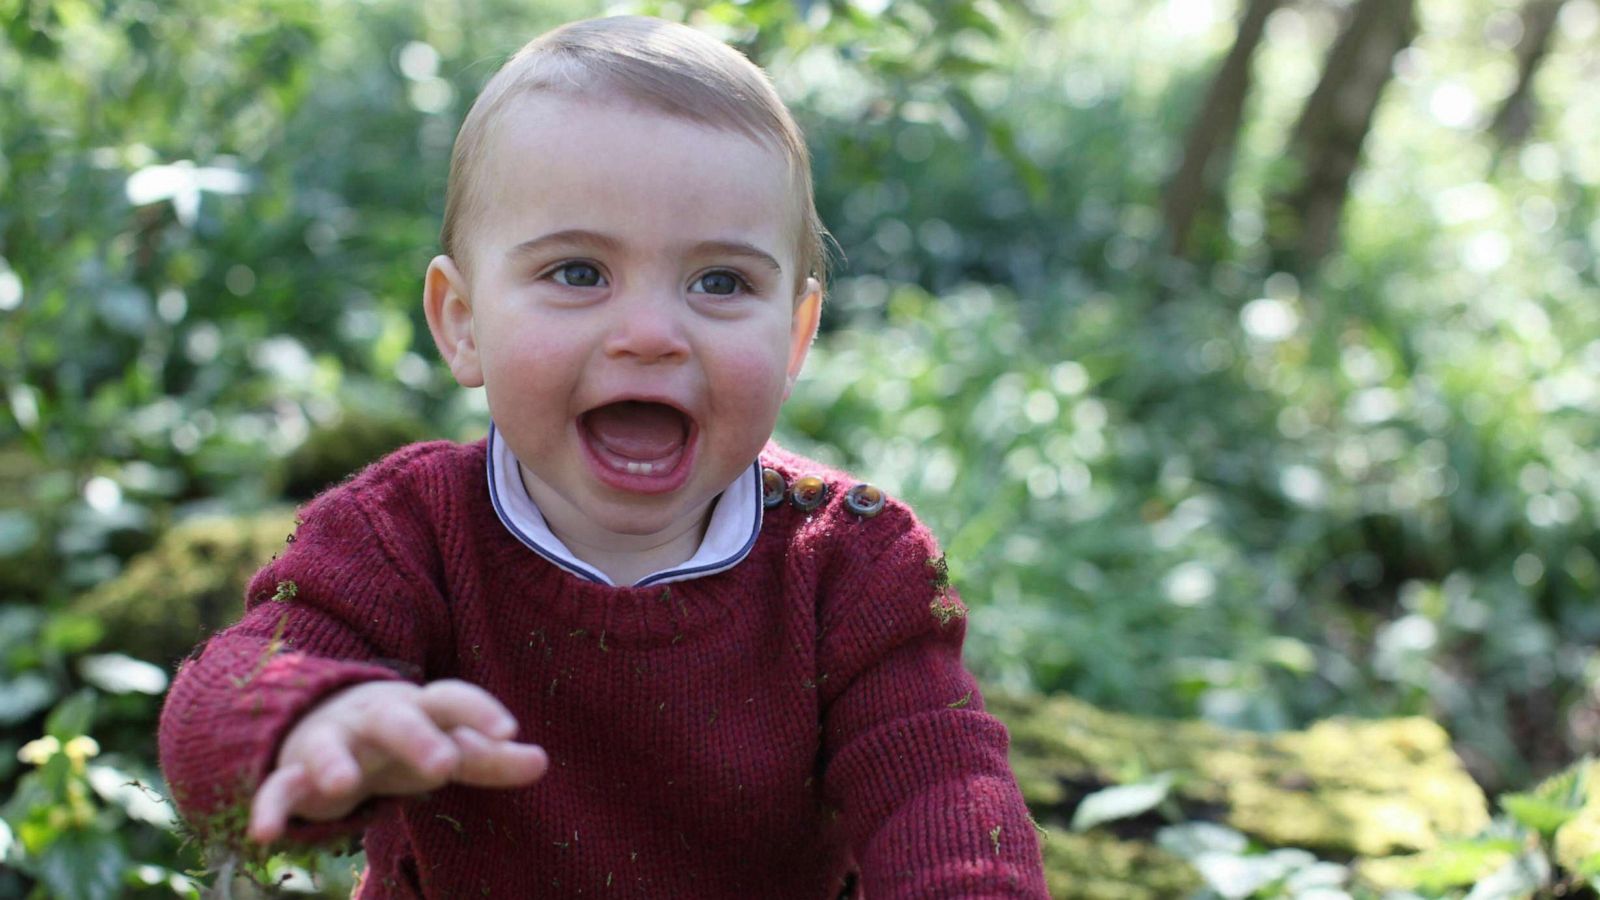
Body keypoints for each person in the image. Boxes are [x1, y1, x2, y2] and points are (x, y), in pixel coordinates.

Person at [158, 15, 1047, 898]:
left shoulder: (853, 565)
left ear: (795, 334)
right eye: (579, 272)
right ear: (462, 324)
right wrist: (312, 718)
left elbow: (944, 787)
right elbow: (221, 701)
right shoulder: (404, 533)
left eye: (721, 282)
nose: (652, 335)